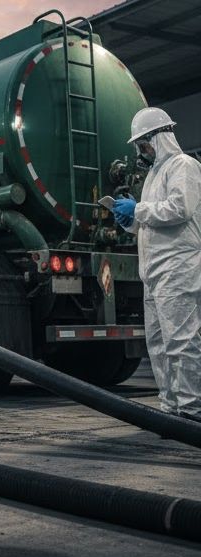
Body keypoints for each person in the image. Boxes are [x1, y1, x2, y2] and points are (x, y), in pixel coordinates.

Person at [112, 107, 201, 422]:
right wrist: (128, 220)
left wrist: (137, 209)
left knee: (183, 341)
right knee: (159, 345)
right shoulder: (153, 175)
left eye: (143, 143)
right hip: (153, 273)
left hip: (177, 269)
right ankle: (170, 408)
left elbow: (179, 208)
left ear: (159, 137)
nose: (141, 150)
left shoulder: (183, 166)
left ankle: (191, 409)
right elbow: (148, 221)